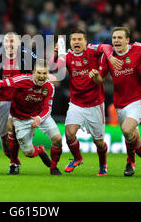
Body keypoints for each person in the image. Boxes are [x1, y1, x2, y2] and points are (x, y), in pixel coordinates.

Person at [91, 26, 141, 177]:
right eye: (114, 38)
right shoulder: (109, 56)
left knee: (127, 130)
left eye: (120, 38)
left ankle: (131, 162)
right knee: (132, 136)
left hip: (139, 97)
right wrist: (95, 76)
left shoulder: (139, 49)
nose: (116, 40)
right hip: (120, 101)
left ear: (127, 40)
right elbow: (100, 79)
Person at [51, 29, 122, 175]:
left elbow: (107, 47)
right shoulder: (68, 55)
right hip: (76, 103)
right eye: (74, 40)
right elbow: (55, 67)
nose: (76, 42)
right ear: (70, 42)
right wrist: (57, 53)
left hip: (95, 104)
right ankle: (77, 158)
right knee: (69, 134)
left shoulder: (91, 50)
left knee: (99, 143)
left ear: (85, 42)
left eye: (79, 39)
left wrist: (109, 58)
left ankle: (103, 164)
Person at [0, 59, 62, 175]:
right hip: (20, 118)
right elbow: (0, 82)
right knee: (29, 153)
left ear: (47, 74)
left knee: (58, 139)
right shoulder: (22, 80)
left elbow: (48, 108)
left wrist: (39, 119)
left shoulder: (49, 87)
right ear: (33, 72)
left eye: (44, 73)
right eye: (39, 73)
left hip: (40, 116)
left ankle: (54, 167)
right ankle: (40, 150)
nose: (41, 76)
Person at [0, 32, 37, 170]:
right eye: (6, 41)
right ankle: (14, 159)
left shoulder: (28, 55)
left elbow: (41, 70)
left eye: (12, 42)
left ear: (19, 43)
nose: (9, 45)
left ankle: (13, 164)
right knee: (5, 139)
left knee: (15, 131)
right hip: (1, 102)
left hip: (21, 102)